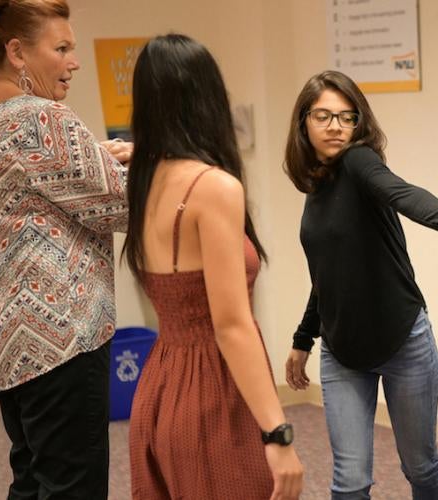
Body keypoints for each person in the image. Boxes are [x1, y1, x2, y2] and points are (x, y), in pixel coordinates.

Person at [283, 70, 438, 500]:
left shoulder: (360, 162)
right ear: (304, 123)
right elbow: (327, 275)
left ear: (359, 123)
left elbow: (406, 195)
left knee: (420, 467)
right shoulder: (318, 183)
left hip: (403, 340)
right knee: (349, 482)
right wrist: (303, 337)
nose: (335, 126)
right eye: (323, 116)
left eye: (346, 117)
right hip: (343, 350)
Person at [0, 0, 131, 498]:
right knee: (72, 487)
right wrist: (152, 162)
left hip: (3, 347)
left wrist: (98, 155)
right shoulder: (42, 119)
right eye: (61, 48)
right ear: (17, 51)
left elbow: (30, 189)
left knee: (32, 481)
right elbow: (124, 205)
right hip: (60, 345)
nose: (73, 61)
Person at [123, 34, 303, 500]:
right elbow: (231, 326)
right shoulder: (213, 187)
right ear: (207, 98)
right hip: (212, 395)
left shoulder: (144, 180)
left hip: (159, 387)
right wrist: (278, 433)